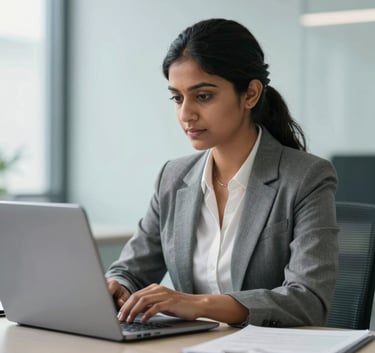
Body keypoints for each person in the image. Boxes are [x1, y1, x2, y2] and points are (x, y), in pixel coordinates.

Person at [105, 18, 338, 328]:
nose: (186, 114)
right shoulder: (173, 177)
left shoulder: (306, 177)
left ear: (250, 94)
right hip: (191, 347)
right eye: (177, 97)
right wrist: (117, 287)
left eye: (203, 96)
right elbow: (131, 271)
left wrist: (196, 304)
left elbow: (307, 299)